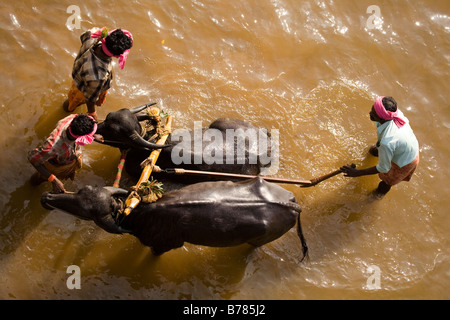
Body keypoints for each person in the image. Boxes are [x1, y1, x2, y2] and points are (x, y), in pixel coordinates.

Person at [340, 96, 419, 198]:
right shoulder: (393, 114)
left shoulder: (388, 142)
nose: (370, 113)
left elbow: (383, 168)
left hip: (406, 160)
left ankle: (375, 197)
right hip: (405, 144)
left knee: (386, 182)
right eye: (372, 109)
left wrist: (358, 173)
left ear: (382, 118)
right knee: (374, 150)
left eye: (373, 113)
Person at [62, 27, 133, 121]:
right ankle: (66, 111)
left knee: (73, 97)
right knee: (73, 102)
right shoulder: (98, 77)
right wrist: (92, 112)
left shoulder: (93, 35)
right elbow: (90, 98)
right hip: (83, 89)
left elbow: (83, 37)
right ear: (116, 56)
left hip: (80, 75)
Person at [28, 114, 97, 193]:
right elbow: (32, 159)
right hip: (55, 165)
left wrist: (94, 136)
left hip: (70, 158)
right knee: (40, 178)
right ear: (81, 137)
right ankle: (30, 189)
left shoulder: (73, 119)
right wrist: (53, 180)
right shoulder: (52, 147)